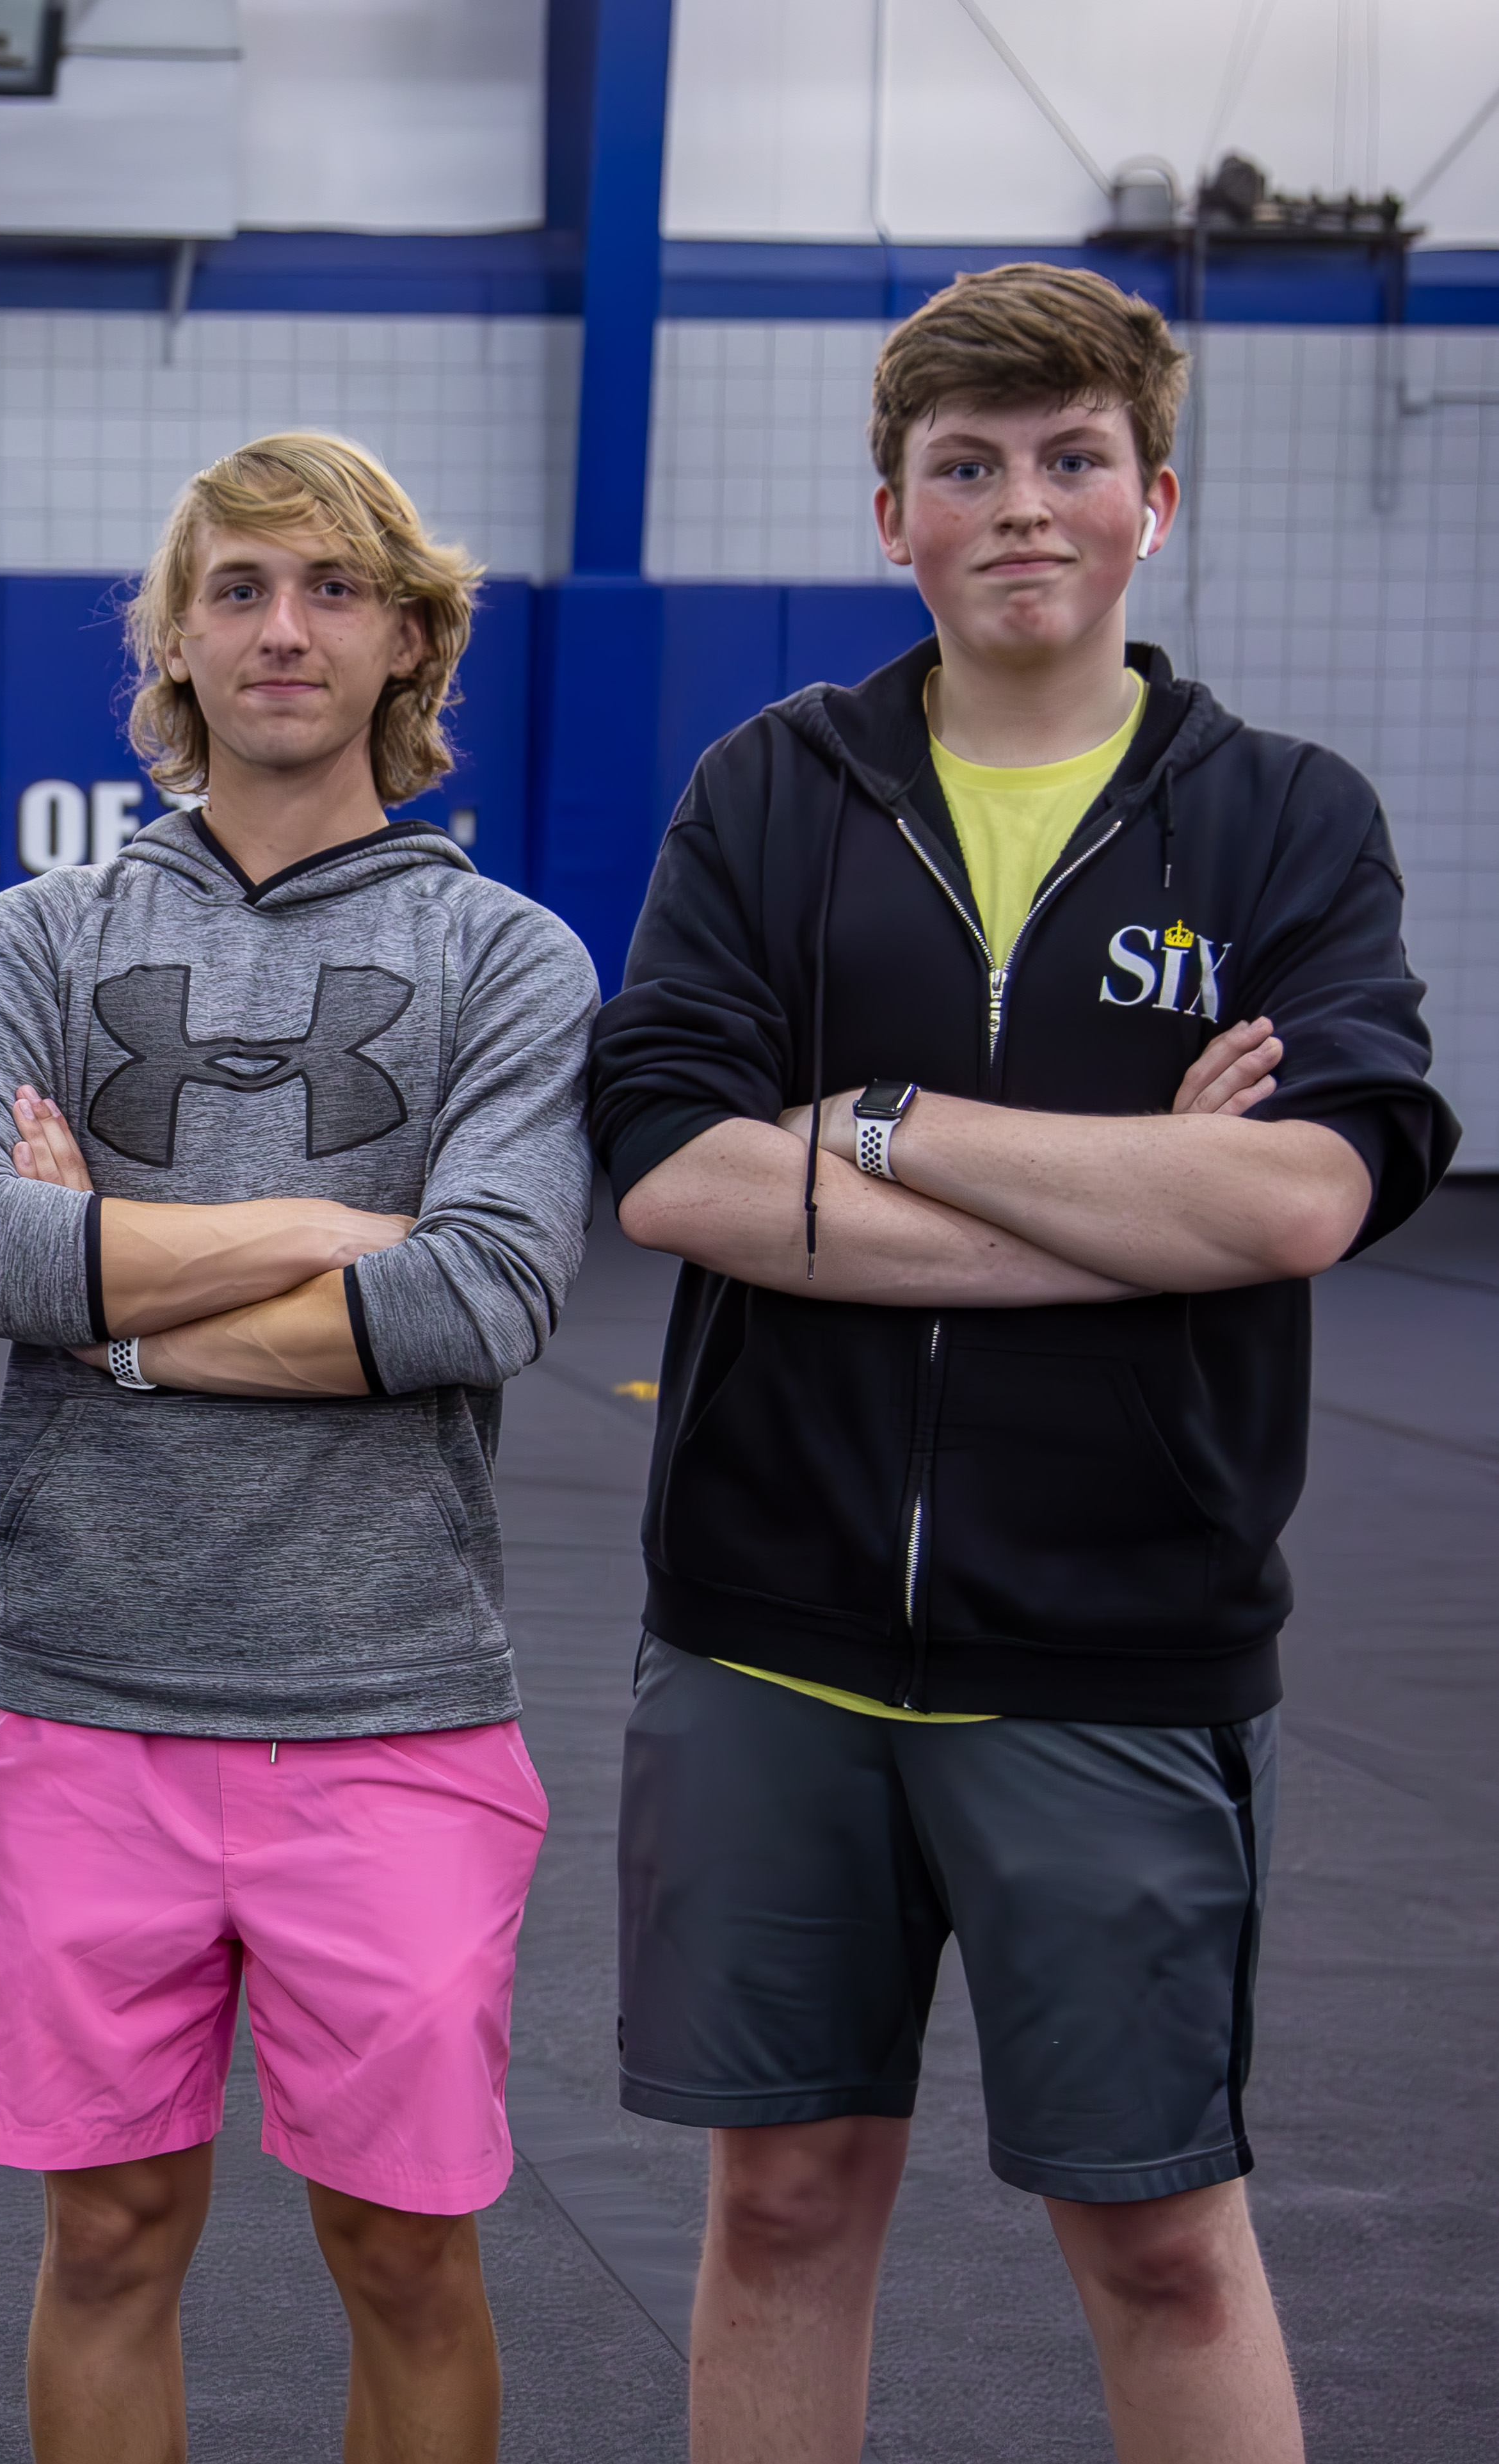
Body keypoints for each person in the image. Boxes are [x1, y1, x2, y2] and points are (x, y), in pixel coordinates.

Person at [587, 264, 1458, 2464]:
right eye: (962, 467)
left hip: (1119, 1651)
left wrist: (877, 1117)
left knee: (1160, 2235)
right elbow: (673, 1174)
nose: (1020, 506)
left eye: (1072, 459)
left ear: (1152, 500)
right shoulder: (771, 792)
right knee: (779, 2199)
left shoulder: (1279, 816)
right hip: (768, 1636)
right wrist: (1113, 1216)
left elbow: (1290, 1206)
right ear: (892, 516)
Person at [0, 432, 598, 2464]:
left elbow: (476, 1299)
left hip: (390, 1711)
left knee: (402, 2252)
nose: (280, 628)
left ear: (406, 637)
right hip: (85, 1700)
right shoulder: (35, 936)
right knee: (108, 2233)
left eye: (327, 588)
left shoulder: (509, 960)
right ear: (174, 640)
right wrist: (308, 1232)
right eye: (234, 588)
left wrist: (105, 1298)